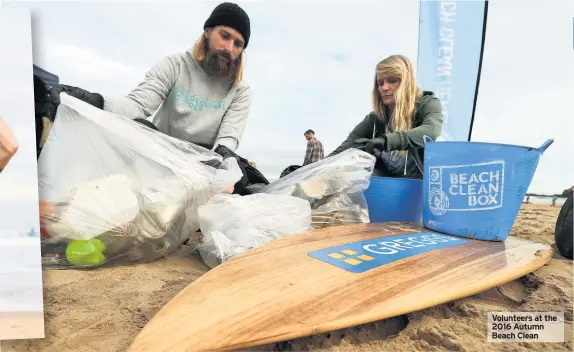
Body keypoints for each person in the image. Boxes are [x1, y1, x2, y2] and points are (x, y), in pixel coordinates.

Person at [46, 2, 251, 154]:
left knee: (238, 171)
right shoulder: (175, 65)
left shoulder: (240, 90)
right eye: (224, 36)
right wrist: (94, 100)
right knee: (139, 126)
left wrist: (222, 156)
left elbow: (228, 137)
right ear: (207, 31)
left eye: (238, 44)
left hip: (205, 161)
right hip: (161, 152)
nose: (229, 48)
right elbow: (137, 105)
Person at [329, 55, 443, 179]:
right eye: (380, 83)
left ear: (407, 81)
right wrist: (310, 168)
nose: (384, 88)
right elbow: (344, 149)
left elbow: (431, 131)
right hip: (386, 185)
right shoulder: (375, 119)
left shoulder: (428, 103)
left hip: (419, 185)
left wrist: (385, 141)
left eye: (392, 80)